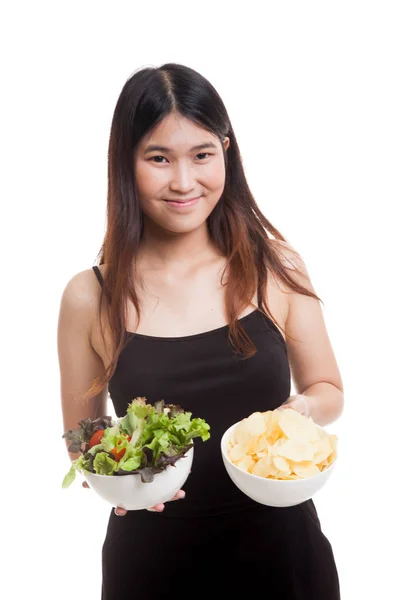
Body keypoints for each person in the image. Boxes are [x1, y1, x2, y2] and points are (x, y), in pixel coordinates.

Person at [58, 62, 344, 599]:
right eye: (159, 158)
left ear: (227, 152)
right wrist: (111, 480)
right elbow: (83, 437)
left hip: (284, 559)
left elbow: (328, 390)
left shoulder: (276, 267)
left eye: (202, 155)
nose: (184, 181)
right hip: (150, 567)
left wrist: (298, 413)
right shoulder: (88, 295)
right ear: (126, 164)